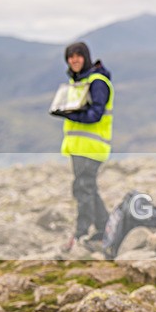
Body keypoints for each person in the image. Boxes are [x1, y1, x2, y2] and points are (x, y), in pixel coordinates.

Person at [58, 42, 114, 253]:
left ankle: (81, 235)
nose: (74, 60)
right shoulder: (80, 81)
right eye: (70, 57)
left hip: (91, 147)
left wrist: (69, 114)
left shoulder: (97, 82)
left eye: (78, 56)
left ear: (86, 57)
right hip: (81, 147)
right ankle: (105, 229)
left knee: (83, 190)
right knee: (88, 189)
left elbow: (95, 114)